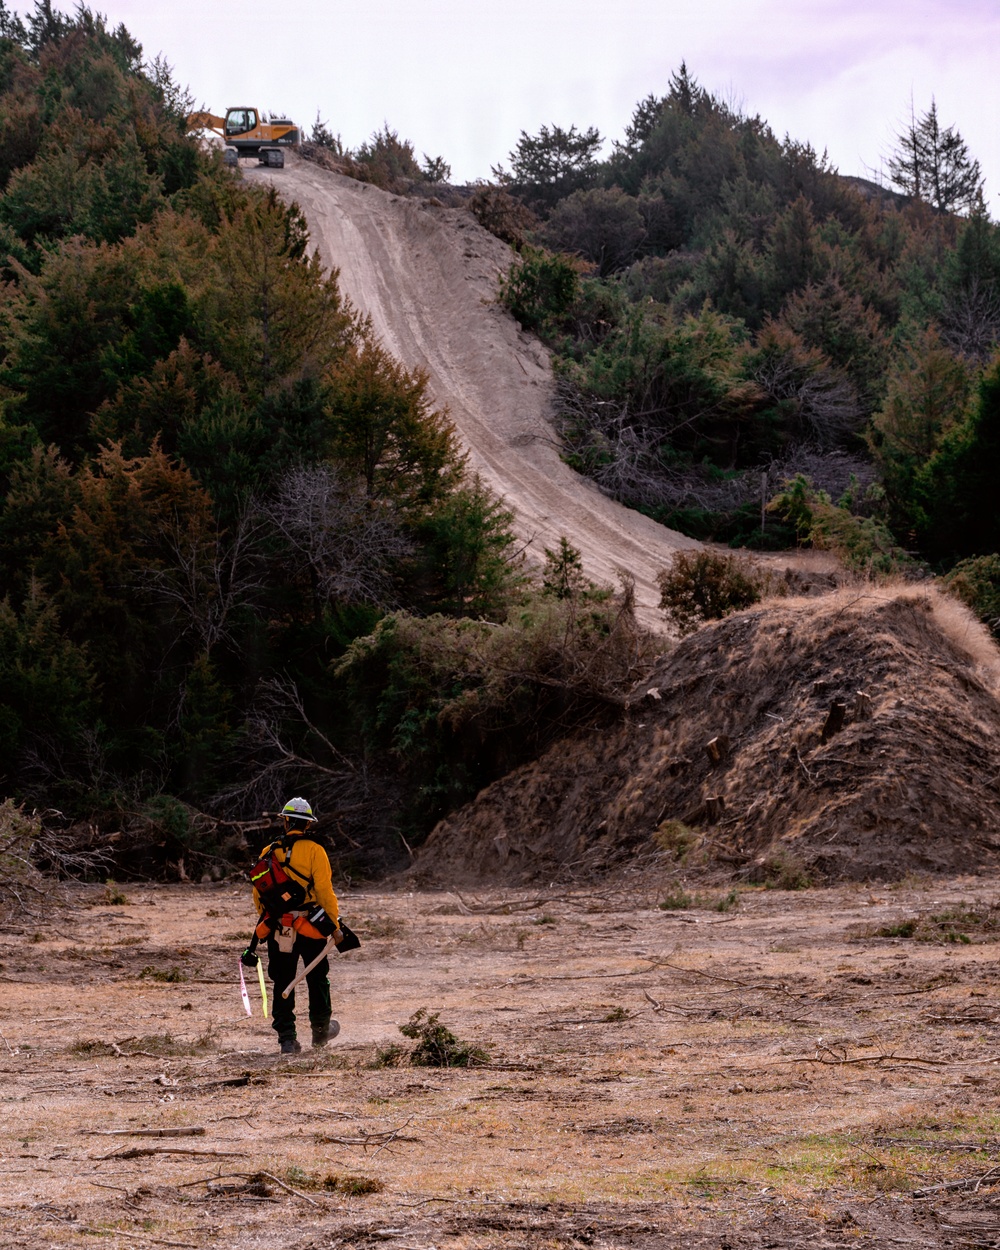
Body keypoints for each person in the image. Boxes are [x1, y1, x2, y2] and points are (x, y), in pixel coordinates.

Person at [249, 797, 342, 1055]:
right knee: (317, 978)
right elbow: (325, 891)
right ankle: (321, 1033)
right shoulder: (316, 850)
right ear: (308, 824)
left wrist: (272, 918)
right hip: (310, 925)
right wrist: (334, 925)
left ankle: (287, 1040)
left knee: (282, 981)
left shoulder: (268, 852)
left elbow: (259, 895)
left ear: (286, 821)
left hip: (279, 927)